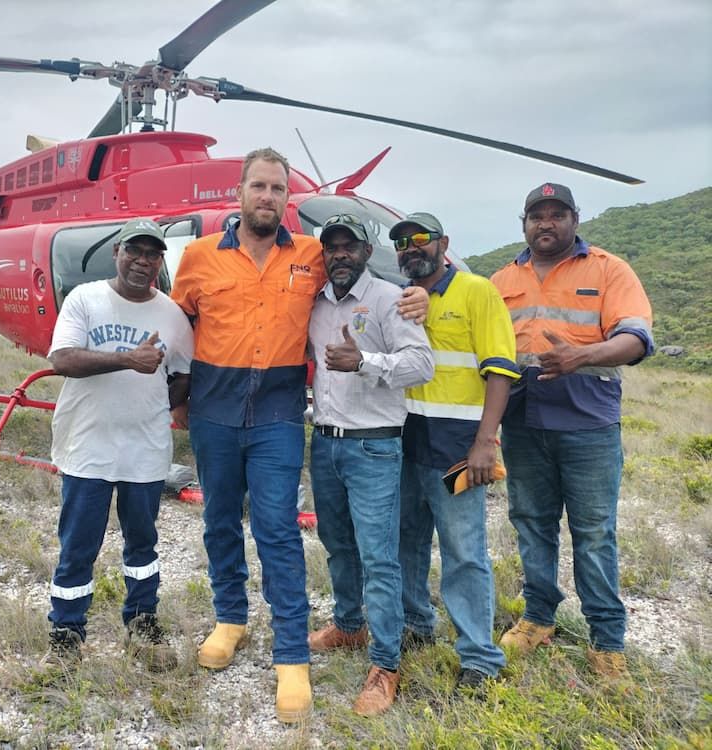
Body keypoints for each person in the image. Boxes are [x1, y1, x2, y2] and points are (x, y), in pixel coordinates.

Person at [171, 147, 428, 723]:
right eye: (258, 187)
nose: (267, 197)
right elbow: (177, 323)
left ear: (288, 201)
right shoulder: (197, 256)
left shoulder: (312, 254)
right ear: (238, 193)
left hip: (279, 414)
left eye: (277, 190)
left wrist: (422, 292)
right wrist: (175, 399)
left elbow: (365, 279)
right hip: (214, 410)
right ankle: (230, 619)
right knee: (218, 520)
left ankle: (290, 652)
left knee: (279, 530)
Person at [490, 183, 653, 679]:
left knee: (593, 534)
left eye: (557, 214)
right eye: (537, 215)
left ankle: (607, 639)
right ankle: (539, 618)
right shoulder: (501, 279)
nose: (547, 223)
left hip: (587, 426)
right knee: (532, 525)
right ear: (524, 223)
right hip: (522, 423)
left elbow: (636, 337)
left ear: (575, 220)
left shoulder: (608, 269)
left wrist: (583, 354)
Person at [46, 218, 194, 672]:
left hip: (144, 452)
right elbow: (62, 359)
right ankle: (67, 632)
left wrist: (153, 408)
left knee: (143, 543)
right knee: (78, 546)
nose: (142, 261)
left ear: (160, 261)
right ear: (117, 252)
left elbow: (184, 374)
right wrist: (127, 360)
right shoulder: (85, 299)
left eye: (152, 254)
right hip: (88, 446)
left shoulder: (171, 314)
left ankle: (143, 620)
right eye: (134, 250)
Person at [307, 213, 434, 716]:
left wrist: (365, 362)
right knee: (337, 543)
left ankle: (385, 663)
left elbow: (422, 365)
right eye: (331, 247)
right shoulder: (316, 303)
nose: (339, 254)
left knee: (379, 557)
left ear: (366, 250)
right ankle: (349, 624)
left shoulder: (389, 298)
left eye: (348, 246)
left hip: (375, 446)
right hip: (326, 442)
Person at [390, 212, 519, 693]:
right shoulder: (403, 300)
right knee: (406, 543)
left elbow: (500, 370)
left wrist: (486, 442)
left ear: (444, 243)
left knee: (464, 553)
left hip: (456, 449)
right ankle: (415, 628)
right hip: (405, 444)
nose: (411, 247)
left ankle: (480, 658)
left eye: (421, 239)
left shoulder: (477, 291)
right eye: (402, 242)